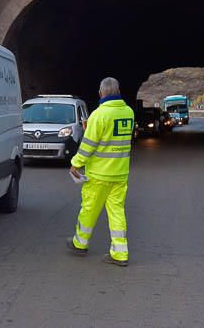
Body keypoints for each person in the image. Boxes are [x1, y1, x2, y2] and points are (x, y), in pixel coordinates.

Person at [66, 77, 134, 267]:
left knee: (89, 209)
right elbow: (113, 137)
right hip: (120, 173)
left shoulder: (99, 115)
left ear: (100, 93)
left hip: (99, 175)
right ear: (118, 91)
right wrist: (92, 129)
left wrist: (75, 163)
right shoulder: (128, 112)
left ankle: (80, 243)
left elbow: (89, 145)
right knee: (117, 212)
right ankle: (120, 253)